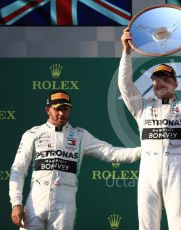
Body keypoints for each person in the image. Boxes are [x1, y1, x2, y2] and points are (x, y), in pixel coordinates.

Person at [9, 90, 141, 230]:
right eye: (57, 109)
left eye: (65, 109)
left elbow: (110, 153)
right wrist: (16, 203)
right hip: (35, 202)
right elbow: (18, 169)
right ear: (48, 109)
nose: (62, 113)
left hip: (64, 205)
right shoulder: (32, 134)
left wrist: (144, 150)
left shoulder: (80, 135)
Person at [119, 26, 181, 230]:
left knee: (178, 224)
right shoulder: (142, 107)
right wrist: (126, 51)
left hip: (177, 167)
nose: (161, 84)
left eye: (166, 80)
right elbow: (125, 86)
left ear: (175, 83)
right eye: (157, 80)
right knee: (147, 225)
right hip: (148, 168)